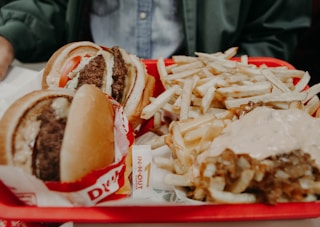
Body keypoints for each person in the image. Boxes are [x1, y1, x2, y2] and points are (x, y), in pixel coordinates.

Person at [0, 0, 312, 80]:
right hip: (92, 83)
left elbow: (272, 30)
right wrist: (9, 34)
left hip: (206, 97)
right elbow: (51, 5)